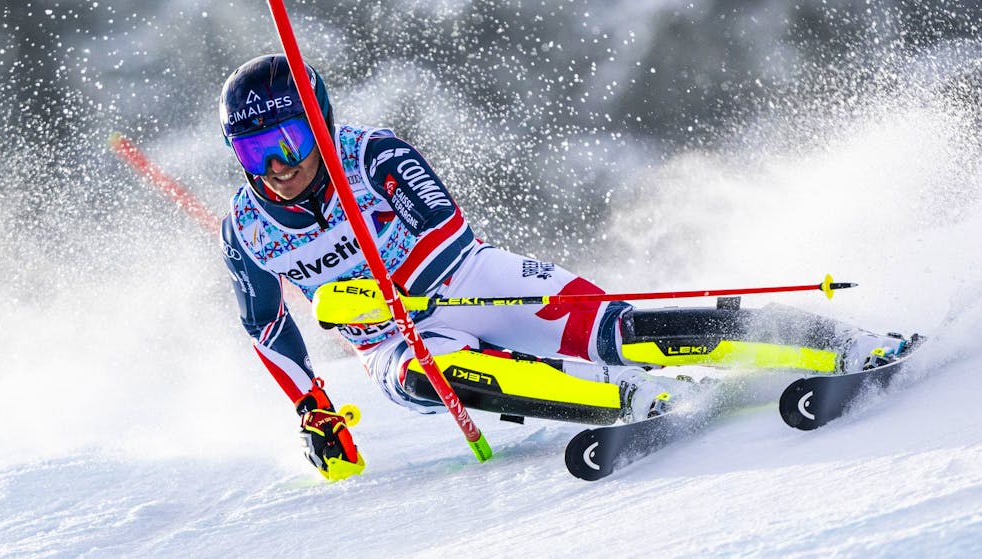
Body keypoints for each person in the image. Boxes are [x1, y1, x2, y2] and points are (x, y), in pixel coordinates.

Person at [218, 54, 909, 481]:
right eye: (255, 155)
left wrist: (390, 286)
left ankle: (829, 338)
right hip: (395, 341)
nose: (278, 169)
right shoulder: (246, 227)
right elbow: (266, 322)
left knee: (617, 330)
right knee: (431, 377)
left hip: (467, 282)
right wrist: (314, 410)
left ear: (321, 122)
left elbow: (445, 228)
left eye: (289, 142)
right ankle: (622, 400)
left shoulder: (372, 154)